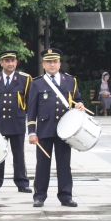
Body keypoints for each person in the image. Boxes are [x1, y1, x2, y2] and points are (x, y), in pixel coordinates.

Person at [27, 48, 85, 208]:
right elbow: (31, 109)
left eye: (55, 61)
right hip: (44, 129)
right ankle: (39, 196)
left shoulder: (70, 81)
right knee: (42, 164)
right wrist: (31, 132)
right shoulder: (36, 83)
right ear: (43, 64)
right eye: (49, 62)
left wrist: (80, 105)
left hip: (65, 131)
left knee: (64, 164)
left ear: (60, 64)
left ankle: (66, 196)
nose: (52, 65)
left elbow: (77, 100)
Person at [0, 50, 32, 193]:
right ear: (1, 63)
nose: (10, 63)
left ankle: (22, 182)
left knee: (19, 154)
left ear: (16, 62)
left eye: (13, 60)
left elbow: (30, 101)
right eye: (7, 61)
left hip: (17, 122)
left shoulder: (25, 79)